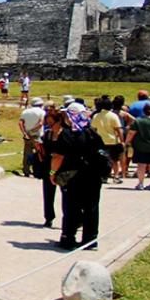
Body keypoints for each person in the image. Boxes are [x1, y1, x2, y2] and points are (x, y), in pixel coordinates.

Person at [48, 104, 104, 250]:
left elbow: (58, 157)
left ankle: (68, 238)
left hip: (72, 176)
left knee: (71, 207)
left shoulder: (66, 134)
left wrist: (52, 173)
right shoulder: (92, 132)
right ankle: (90, 239)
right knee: (91, 207)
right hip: (93, 175)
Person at [35, 106, 60, 228]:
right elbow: (42, 153)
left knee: (68, 196)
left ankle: (72, 219)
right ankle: (49, 217)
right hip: (48, 167)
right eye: (48, 122)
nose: (49, 124)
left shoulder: (64, 135)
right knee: (48, 194)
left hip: (61, 168)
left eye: (51, 122)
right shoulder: (47, 135)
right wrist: (40, 150)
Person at [90, 98, 124, 184]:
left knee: (102, 160)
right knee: (114, 160)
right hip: (112, 141)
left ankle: (103, 176)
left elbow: (93, 129)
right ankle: (116, 176)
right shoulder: (113, 116)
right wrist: (122, 141)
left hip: (100, 141)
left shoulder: (96, 116)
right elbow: (119, 129)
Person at [18, 98, 46, 178]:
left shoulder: (25, 111)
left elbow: (20, 123)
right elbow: (41, 124)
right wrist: (32, 131)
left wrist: (25, 133)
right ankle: (38, 171)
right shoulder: (42, 112)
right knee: (40, 154)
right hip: (38, 136)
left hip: (27, 136)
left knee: (27, 153)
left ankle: (26, 170)